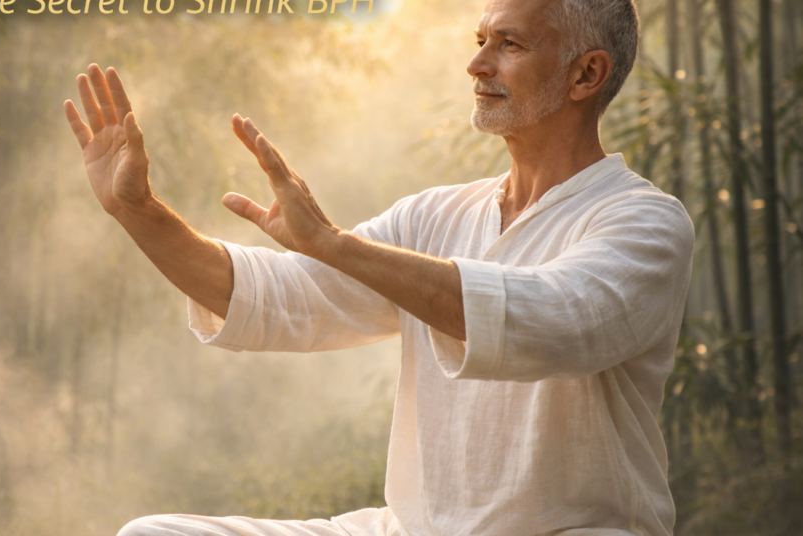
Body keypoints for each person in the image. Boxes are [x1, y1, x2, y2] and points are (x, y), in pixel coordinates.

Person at [62, 0, 693, 532]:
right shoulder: (435, 215)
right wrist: (138, 210)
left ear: (586, 74)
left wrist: (336, 245)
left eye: (509, 44)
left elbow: (552, 319)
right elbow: (281, 299)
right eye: (479, 40)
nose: (476, 64)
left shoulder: (644, 223)